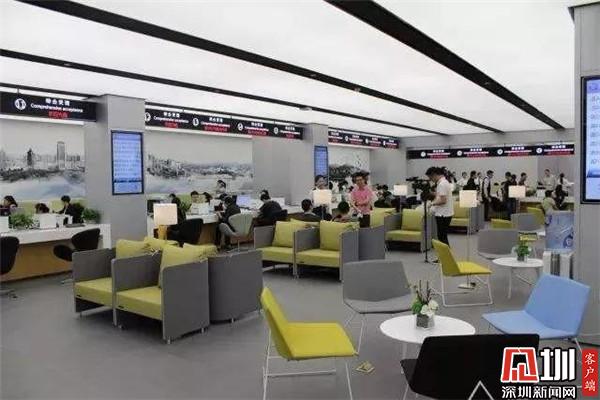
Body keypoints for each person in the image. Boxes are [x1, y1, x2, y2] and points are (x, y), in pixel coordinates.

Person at [426, 166, 454, 248]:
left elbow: (443, 200)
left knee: (442, 236)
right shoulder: (444, 182)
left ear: (434, 175)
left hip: (443, 214)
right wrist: (433, 193)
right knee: (442, 236)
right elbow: (441, 195)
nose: (431, 180)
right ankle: (445, 254)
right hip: (445, 213)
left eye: (430, 177)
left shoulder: (442, 184)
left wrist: (432, 203)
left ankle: (446, 254)